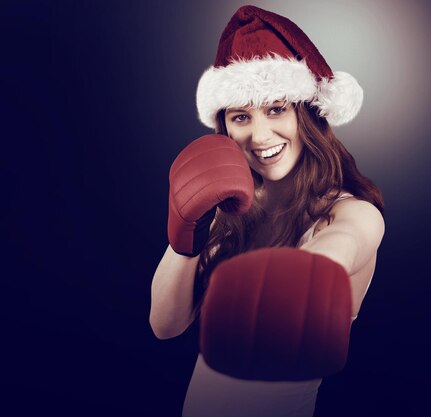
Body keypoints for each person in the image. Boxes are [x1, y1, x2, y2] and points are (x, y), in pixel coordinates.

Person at [149, 5, 385, 417]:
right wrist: (185, 232)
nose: (259, 136)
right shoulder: (230, 212)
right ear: (226, 128)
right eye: (242, 116)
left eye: (276, 109)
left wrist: (296, 272)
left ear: (307, 114)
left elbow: (338, 249)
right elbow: (164, 326)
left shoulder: (350, 214)